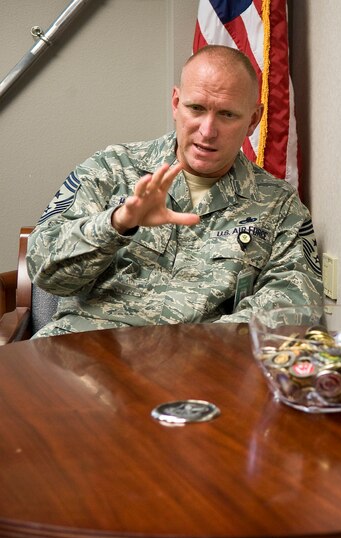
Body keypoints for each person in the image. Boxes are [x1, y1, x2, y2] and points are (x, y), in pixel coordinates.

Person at [26, 45, 322, 338]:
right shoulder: (110, 169)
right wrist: (117, 222)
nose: (207, 130)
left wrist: (189, 350)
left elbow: (294, 307)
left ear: (253, 121)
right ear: (176, 103)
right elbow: (45, 271)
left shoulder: (278, 205)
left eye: (227, 115)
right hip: (85, 353)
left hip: (200, 367)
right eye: (196, 108)